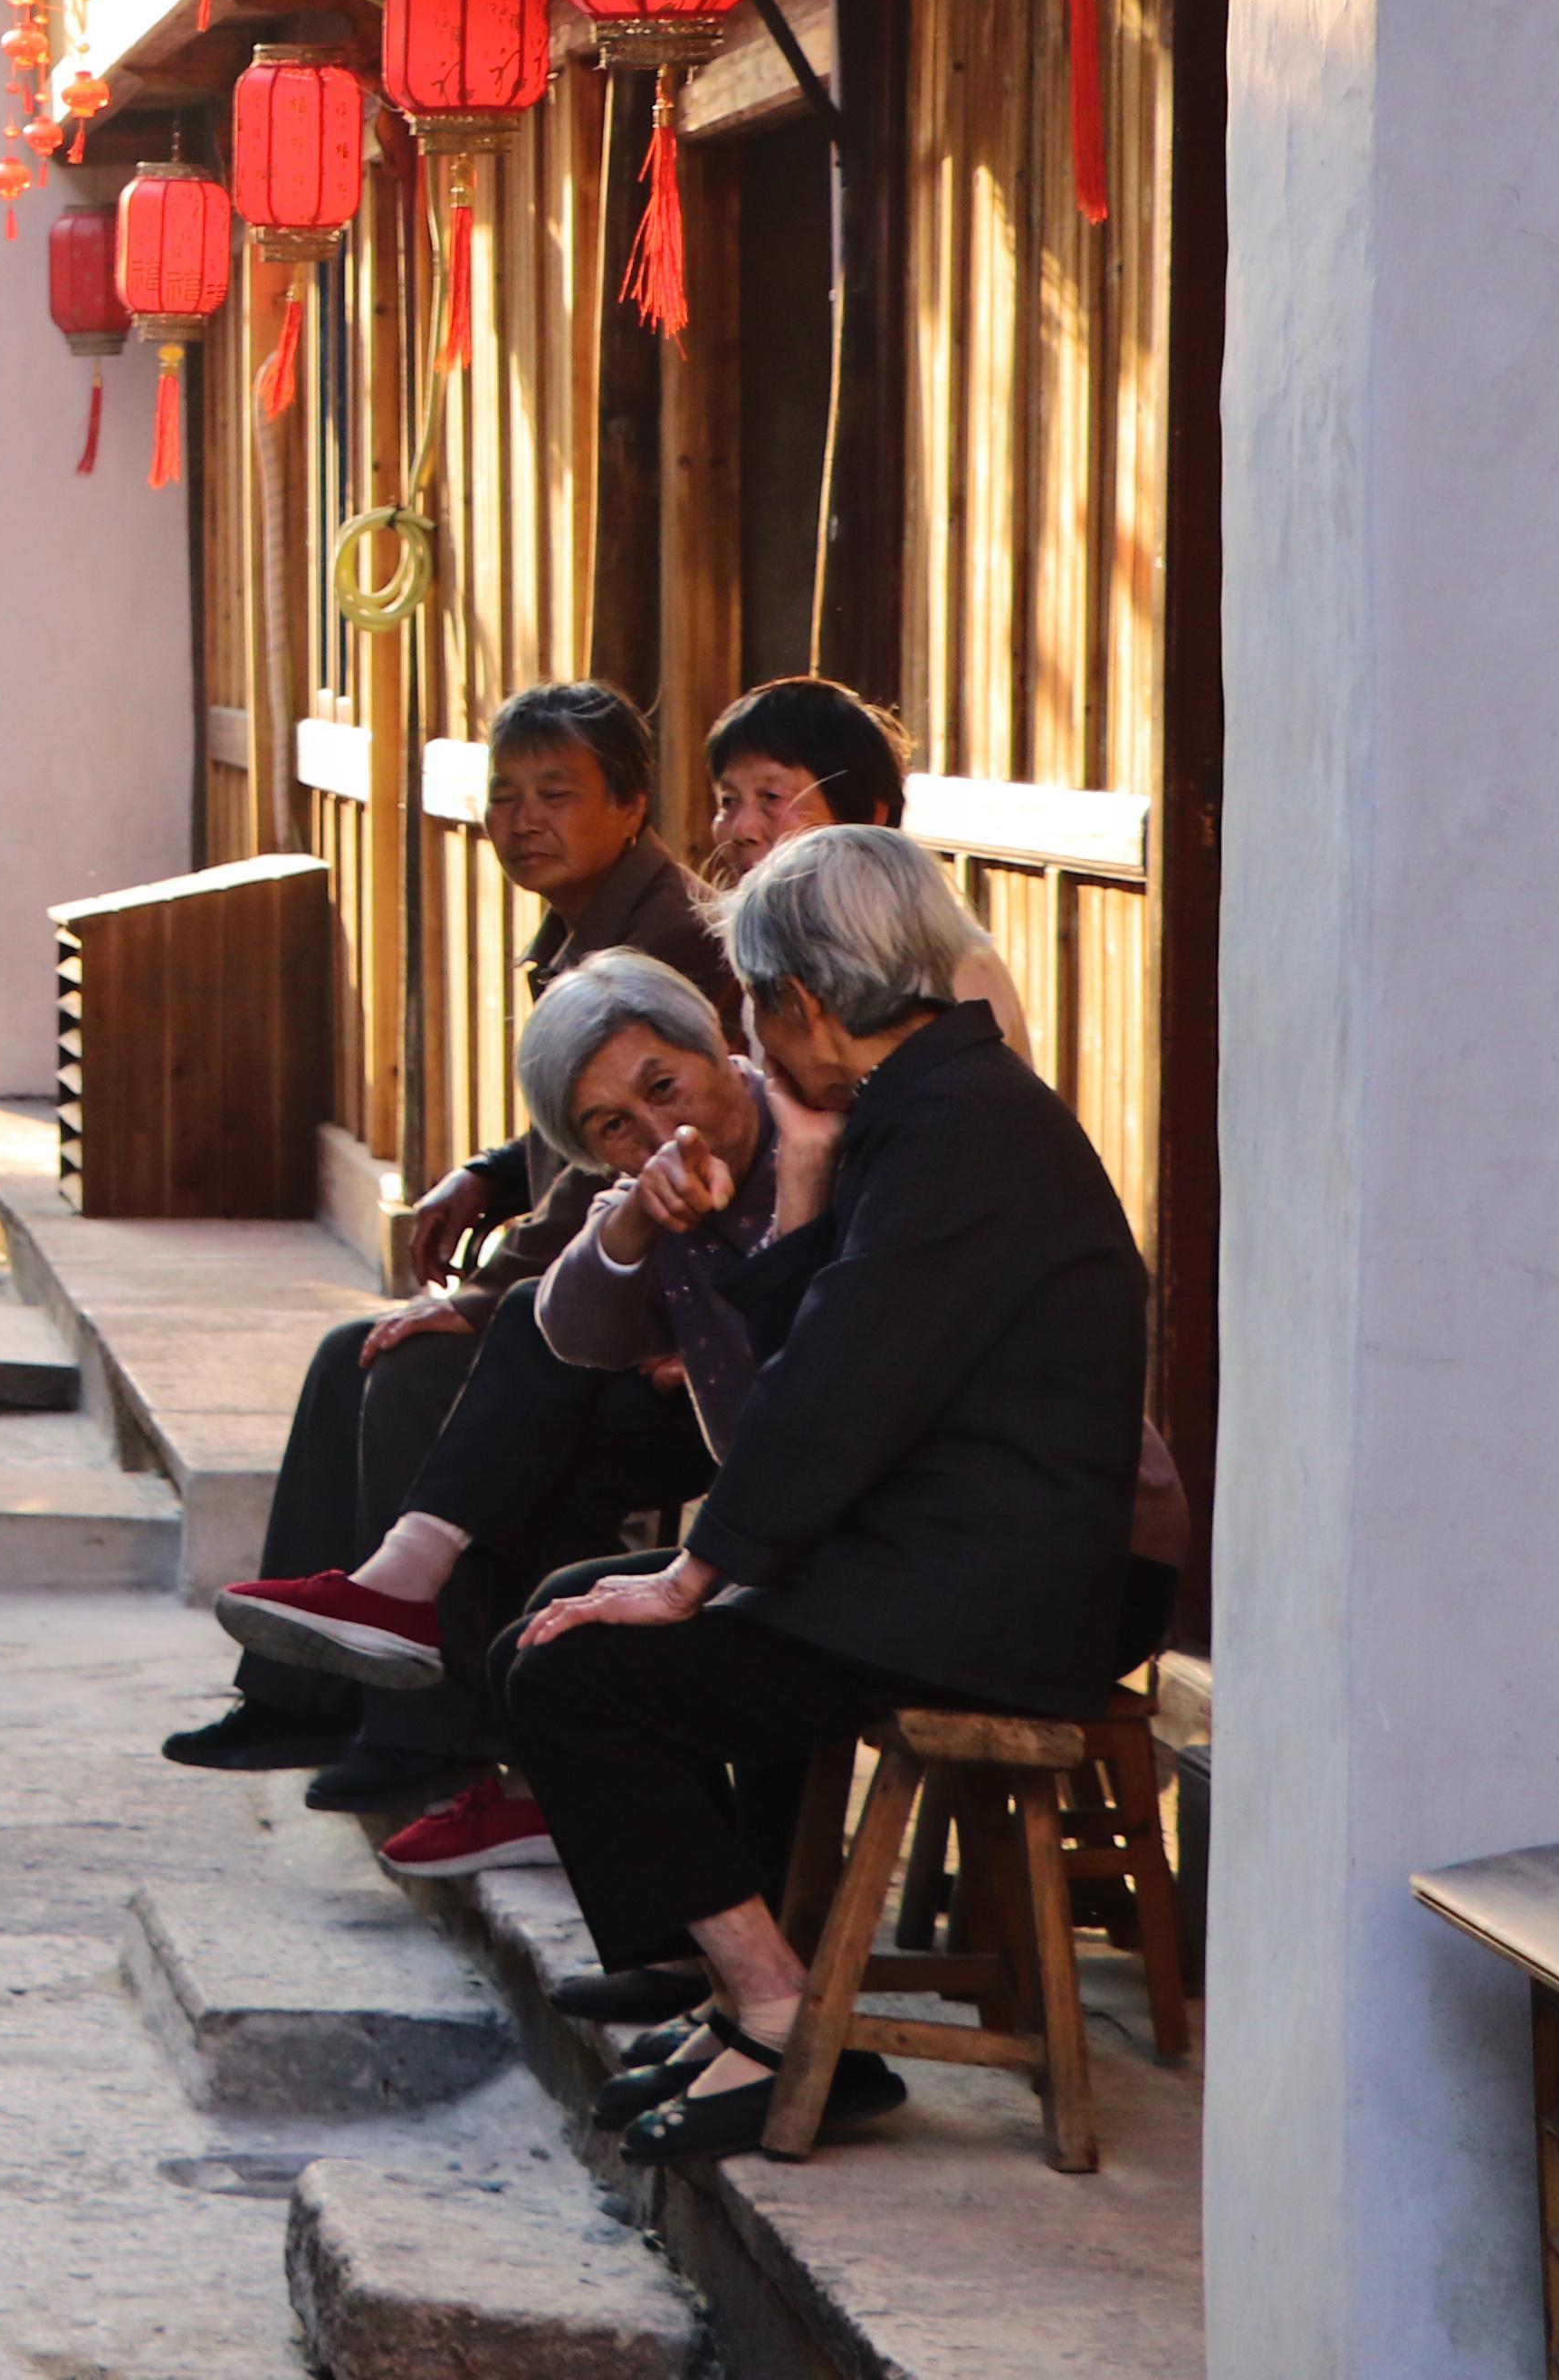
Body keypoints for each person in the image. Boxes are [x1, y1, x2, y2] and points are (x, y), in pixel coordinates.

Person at [493, 827, 1149, 2163]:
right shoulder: (922, 1111)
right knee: (561, 1621)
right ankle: (749, 1991)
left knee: (572, 1674)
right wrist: (799, 1184)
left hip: (991, 1597)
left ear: (796, 1002)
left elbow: (842, 1389)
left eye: (749, 1006)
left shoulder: (962, 1128)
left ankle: (786, 2015)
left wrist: (692, 1573)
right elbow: (825, 1345)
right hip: (938, 1565)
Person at [159, 682, 732, 1816]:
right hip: (591, 1290)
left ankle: (431, 1728)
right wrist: (491, 1170)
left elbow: (636, 1163)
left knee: (416, 1370)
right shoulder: (589, 925)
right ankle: (304, 1692)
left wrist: (481, 1300)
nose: (522, 820)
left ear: (628, 804)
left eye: (555, 795)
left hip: (664, 1331)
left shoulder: (671, 937)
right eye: (504, 797)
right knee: (349, 1353)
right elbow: (579, 1137)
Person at [206, 951, 791, 1893]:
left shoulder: (810, 1138)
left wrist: (720, 1333)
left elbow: (845, 1340)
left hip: (824, 1486)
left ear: (722, 1047)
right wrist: (631, 1226)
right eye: (617, 1127)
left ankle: (465, 1716)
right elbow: (570, 1307)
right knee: (459, 1371)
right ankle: (398, 1663)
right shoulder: (643, 1179)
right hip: (732, 1446)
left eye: (666, 1086)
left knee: (527, 1459)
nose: (658, 1129)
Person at [699, 676, 1032, 1044]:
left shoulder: (953, 971)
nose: (742, 829)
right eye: (728, 801)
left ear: (868, 817)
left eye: (772, 797)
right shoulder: (775, 963)